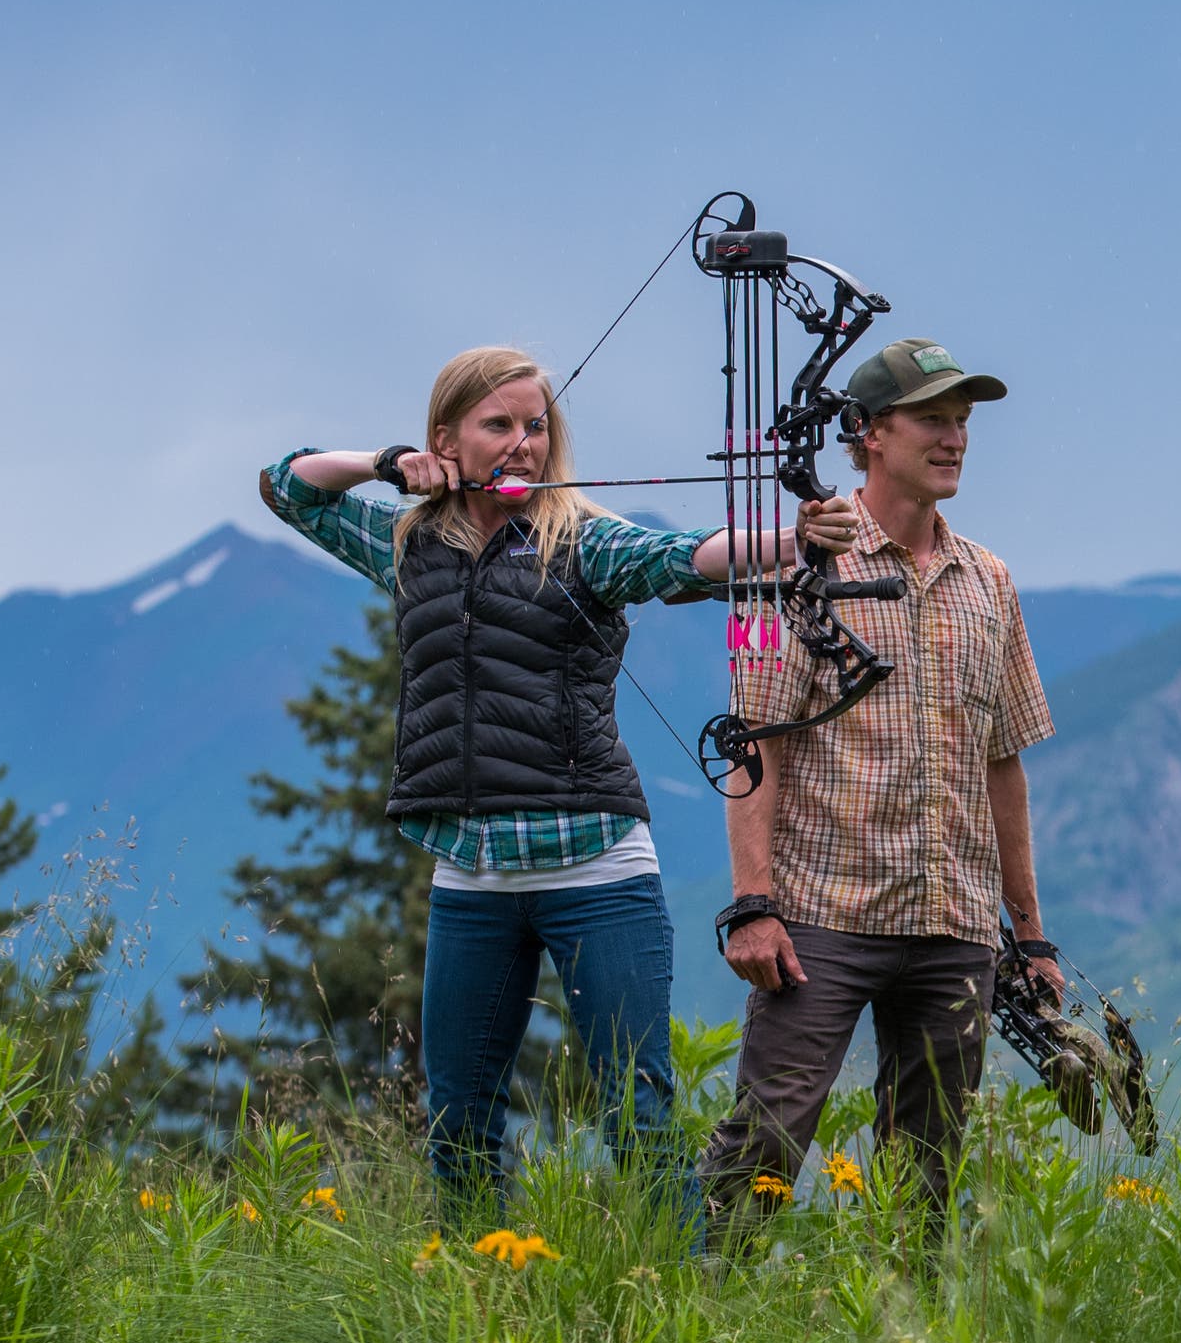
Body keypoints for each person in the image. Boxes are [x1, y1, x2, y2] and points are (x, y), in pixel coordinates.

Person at [260, 346, 854, 1196]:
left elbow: (683, 556)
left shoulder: (580, 542)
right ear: (446, 437)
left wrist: (792, 539)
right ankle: (472, 1306)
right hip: (470, 880)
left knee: (637, 1121)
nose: (523, 443)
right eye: (497, 424)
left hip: (597, 869)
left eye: (536, 426)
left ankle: (677, 1308)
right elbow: (288, 484)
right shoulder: (407, 545)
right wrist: (388, 464)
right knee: (458, 1123)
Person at [700, 336, 1060, 1231]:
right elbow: (753, 746)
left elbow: (1003, 760)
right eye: (932, 418)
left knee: (928, 1173)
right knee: (766, 1144)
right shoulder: (797, 564)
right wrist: (753, 905)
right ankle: (698, 1313)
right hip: (823, 917)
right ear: (865, 432)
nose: (955, 438)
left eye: (963, 421)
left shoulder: (992, 580)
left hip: (957, 925)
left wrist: (1032, 935)